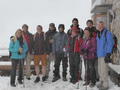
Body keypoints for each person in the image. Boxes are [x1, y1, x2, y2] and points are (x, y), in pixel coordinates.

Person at [96, 21, 113, 90]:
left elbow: (110, 43)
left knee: (104, 70)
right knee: (100, 70)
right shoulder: (98, 33)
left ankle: (105, 85)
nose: (100, 27)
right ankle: (101, 82)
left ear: (104, 26)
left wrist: (108, 53)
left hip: (104, 54)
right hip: (99, 54)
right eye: (99, 25)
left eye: (101, 25)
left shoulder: (107, 33)